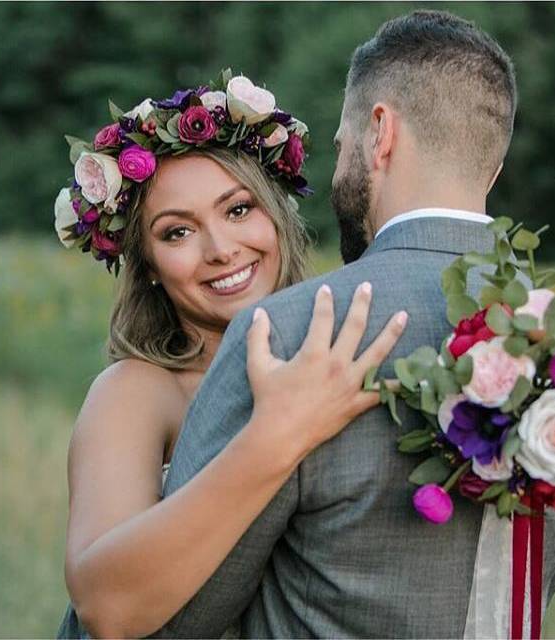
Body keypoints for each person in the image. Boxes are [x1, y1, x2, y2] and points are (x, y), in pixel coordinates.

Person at [152, 10, 555, 638]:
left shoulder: (288, 333)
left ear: (379, 134)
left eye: (341, 147)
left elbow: (177, 615)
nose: (338, 170)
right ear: (492, 167)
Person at [53, 79, 410, 638]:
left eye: (238, 209)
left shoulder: (340, 353)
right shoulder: (136, 392)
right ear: (146, 264)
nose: (220, 249)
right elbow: (105, 606)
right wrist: (276, 436)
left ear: (277, 216)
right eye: (177, 232)